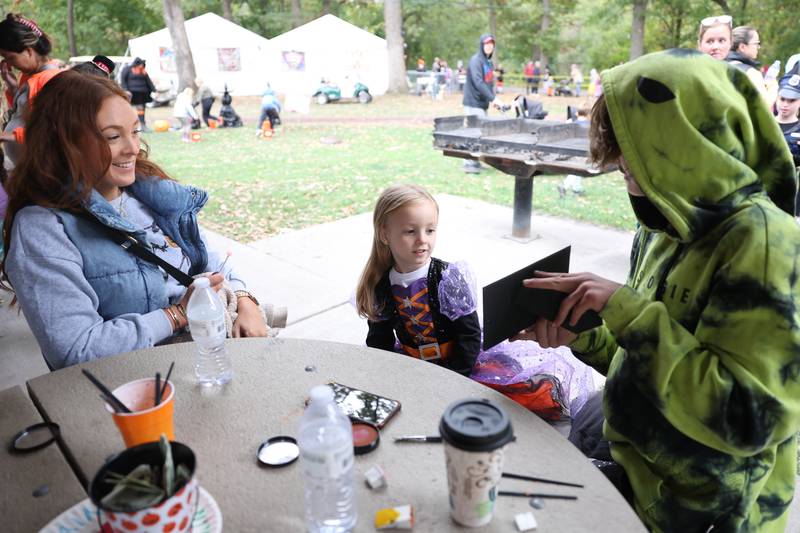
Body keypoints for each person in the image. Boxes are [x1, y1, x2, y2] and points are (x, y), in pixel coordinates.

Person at [514, 50, 800, 531]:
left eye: (636, 159)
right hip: (636, 460)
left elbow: (748, 422)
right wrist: (582, 335)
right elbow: (645, 356)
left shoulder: (765, 247)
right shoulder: (664, 223)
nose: (627, 173)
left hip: (703, 505)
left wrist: (625, 310)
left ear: (685, 147)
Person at [0, 71, 268, 370]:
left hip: (206, 354)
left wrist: (245, 301)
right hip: (139, 384)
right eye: (113, 136)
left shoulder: (151, 193)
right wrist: (177, 314)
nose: (132, 148)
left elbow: (210, 262)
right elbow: (76, 349)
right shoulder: (42, 229)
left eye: (135, 131)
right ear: (64, 143)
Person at [355, 185, 481, 375]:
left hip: (458, 367)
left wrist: (455, 376)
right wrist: (382, 374)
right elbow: (379, 340)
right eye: (410, 231)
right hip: (412, 368)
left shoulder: (448, 279)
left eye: (430, 230)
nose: (422, 239)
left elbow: (469, 334)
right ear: (384, 234)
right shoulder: (381, 286)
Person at [0, 13, 62, 167]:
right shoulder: (29, 76)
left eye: (10, 57)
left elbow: (49, 128)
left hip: (41, 169)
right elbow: (24, 111)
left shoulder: (50, 80)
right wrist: (13, 87)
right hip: (26, 167)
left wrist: (8, 136)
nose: (8, 64)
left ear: (28, 50)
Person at [462, 34, 503, 173]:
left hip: (482, 103)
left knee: (480, 133)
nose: (489, 46)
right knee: (473, 133)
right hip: (473, 102)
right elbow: (478, 82)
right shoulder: (476, 61)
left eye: (491, 44)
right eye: (486, 44)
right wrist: (492, 98)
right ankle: (468, 164)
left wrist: (493, 100)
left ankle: (475, 162)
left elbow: (488, 84)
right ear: (481, 45)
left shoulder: (488, 62)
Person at [726, 25, 775, 106]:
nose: (758, 47)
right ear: (742, 47)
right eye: (756, 43)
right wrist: (772, 87)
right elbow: (765, 106)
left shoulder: (719, 67)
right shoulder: (751, 73)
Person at [120, 57, 155, 132]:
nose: (142, 66)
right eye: (141, 64)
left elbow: (148, 81)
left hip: (142, 93)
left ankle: (143, 125)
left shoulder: (143, 71)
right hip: (132, 93)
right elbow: (123, 79)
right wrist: (125, 89)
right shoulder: (127, 69)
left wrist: (153, 89)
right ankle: (131, 126)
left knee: (142, 108)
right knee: (132, 109)